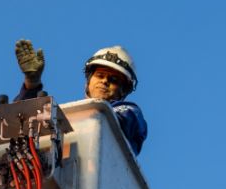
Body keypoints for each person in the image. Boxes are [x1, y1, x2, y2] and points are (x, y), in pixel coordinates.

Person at [13, 39, 148, 155]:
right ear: (88, 82)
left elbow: (109, 120)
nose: (105, 81)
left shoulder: (130, 112)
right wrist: (31, 83)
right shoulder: (71, 114)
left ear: (123, 91)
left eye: (113, 80)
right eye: (100, 76)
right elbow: (19, 124)